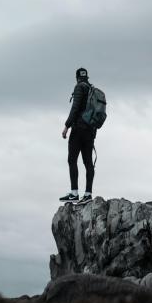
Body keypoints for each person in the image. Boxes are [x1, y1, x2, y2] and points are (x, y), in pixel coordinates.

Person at [59, 68, 96, 205]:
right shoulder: (92, 90)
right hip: (90, 131)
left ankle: (74, 193)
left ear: (76, 77)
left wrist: (66, 126)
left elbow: (75, 108)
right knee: (88, 162)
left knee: (72, 159)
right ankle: (88, 194)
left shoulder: (79, 88)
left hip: (78, 129)